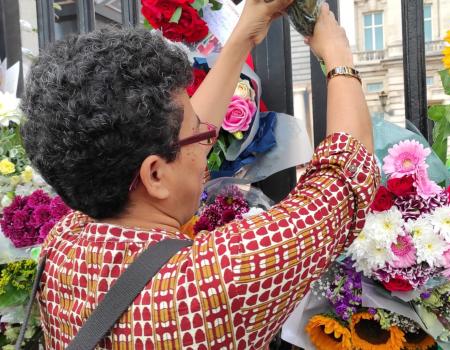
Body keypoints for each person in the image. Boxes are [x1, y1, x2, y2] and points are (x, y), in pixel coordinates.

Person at [20, 1, 380, 348]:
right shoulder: (207, 283)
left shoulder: (66, 240)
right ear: (155, 176)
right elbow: (345, 178)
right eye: (199, 133)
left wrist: (244, 36)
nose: (209, 138)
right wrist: (337, 56)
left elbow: (182, 137)